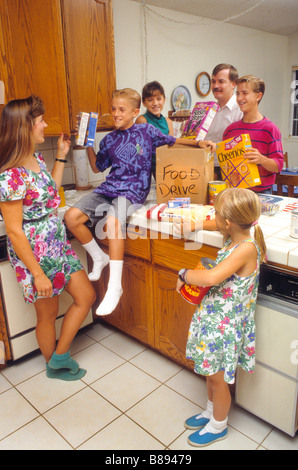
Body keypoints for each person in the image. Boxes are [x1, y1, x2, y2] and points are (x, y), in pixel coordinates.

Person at [65, 88, 215, 317]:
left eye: (122, 110)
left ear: (135, 112)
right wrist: (87, 144)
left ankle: (115, 286)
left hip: (134, 190)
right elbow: (97, 167)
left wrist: (199, 143)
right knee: (71, 217)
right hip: (110, 187)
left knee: (113, 223)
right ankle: (98, 256)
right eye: (113, 109)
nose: (116, 113)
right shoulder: (109, 140)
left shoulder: (146, 131)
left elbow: (173, 140)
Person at [0, 95, 95, 381]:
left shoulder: (35, 156)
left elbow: (51, 191)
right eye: (40, 121)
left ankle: (60, 356)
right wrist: (38, 274)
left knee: (86, 296)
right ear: (25, 127)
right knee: (48, 315)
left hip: (56, 242)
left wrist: (62, 154)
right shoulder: (10, 175)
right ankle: (53, 363)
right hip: (34, 253)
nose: (45, 125)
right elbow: (15, 231)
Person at [176, 188, 266, 447]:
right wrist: (197, 222)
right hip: (214, 322)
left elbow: (211, 278)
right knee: (209, 372)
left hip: (223, 328)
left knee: (217, 379)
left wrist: (183, 274)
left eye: (215, 213)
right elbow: (217, 223)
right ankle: (209, 411)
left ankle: (218, 425)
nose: (212, 217)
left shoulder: (246, 248)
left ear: (228, 222)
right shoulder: (234, 236)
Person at [223, 75, 284, 194]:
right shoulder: (230, 130)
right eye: (238, 93)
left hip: (261, 194)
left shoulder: (270, 129)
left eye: (245, 93)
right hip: (234, 192)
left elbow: (278, 166)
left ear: (258, 96)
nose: (239, 98)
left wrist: (261, 159)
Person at [206, 64, 243, 179]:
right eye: (213, 81)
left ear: (233, 84)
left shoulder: (241, 110)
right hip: (208, 168)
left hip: (231, 170)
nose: (216, 86)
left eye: (221, 81)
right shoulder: (208, 110)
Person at [135, 81, 173, 177]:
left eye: (159, 99)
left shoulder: (168, 122)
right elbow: (138, 146)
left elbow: (171, 146)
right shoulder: (142, 120)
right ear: (144, 103)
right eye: (150, 100)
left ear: (164, 100)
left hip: (165, 166)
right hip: (145, 169)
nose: (155, 103)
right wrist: (142, 165)